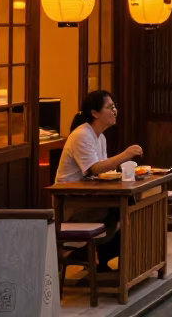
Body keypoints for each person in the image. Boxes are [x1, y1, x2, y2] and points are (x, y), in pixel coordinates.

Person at [55, 91, 143, 269]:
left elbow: (103, 171)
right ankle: (80, 254)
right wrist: (125, 155)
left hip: (90, 196)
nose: (115, 110)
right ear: (95, 113)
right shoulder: (82, 135)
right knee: (122, 210)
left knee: (129, 207)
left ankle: (103, 262)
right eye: (110, 107)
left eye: (114, 106)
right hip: (73, 201)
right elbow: (95, 168)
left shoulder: (100, 136)